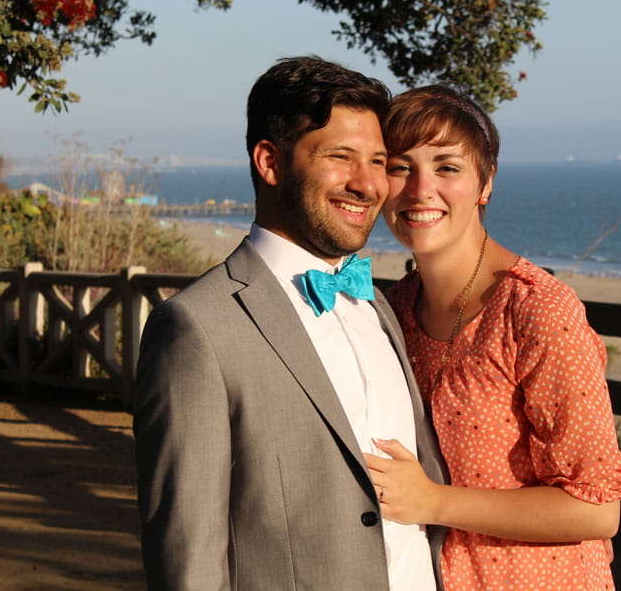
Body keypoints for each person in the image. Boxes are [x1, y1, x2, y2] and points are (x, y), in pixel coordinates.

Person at [132, 57, 447, 590]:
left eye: (377, 161)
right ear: (270, 162)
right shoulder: (195, 328)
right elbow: (189, 554)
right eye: (340, 157)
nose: (368, 185)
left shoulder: (377, 303)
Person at [364, 85, 621, 590]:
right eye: (401, 167)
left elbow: (598, 511)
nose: (421, 188)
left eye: (448, 167)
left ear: (485, 182)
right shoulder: (392, 309)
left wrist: (431, 501)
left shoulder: (537, 311)